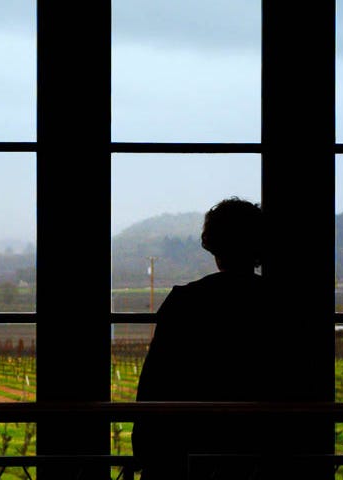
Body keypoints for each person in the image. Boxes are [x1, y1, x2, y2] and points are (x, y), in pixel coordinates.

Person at [132, 197, 275, 479]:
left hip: (186, 452)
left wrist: (145, 450)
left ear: (213, 245)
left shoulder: (184, 302)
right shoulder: (280, 304)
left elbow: (155, 382)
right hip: (259, 451)